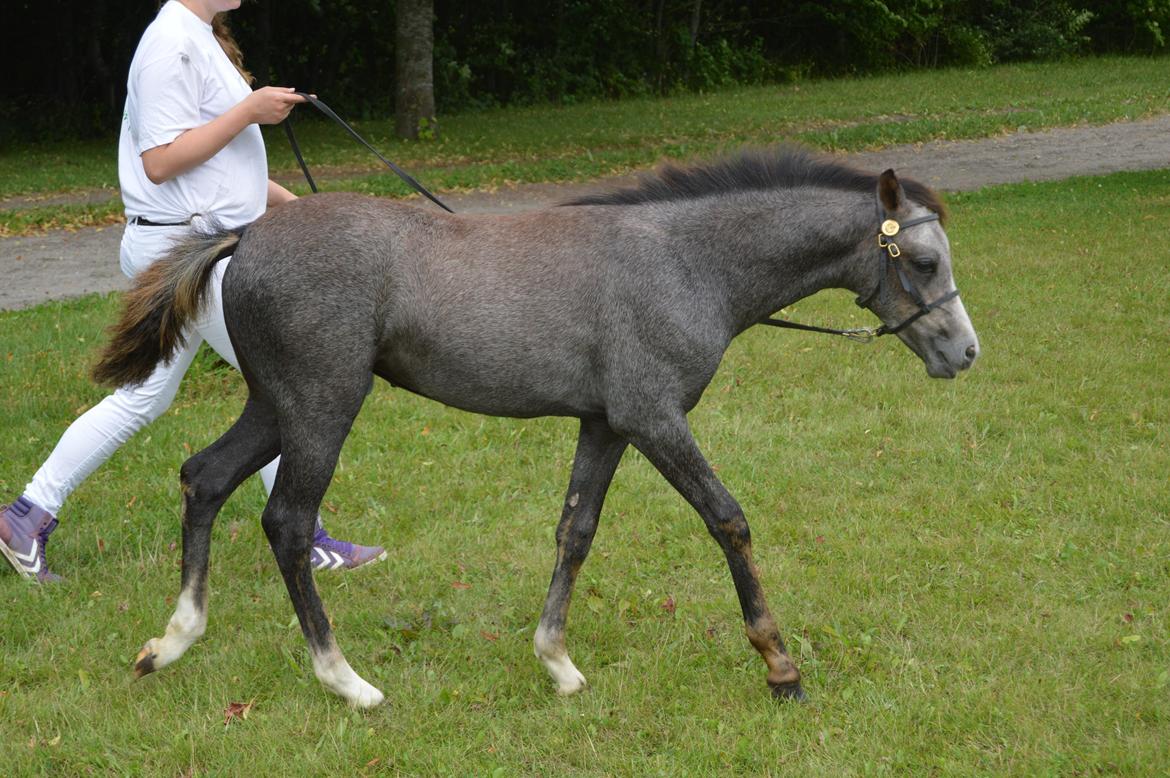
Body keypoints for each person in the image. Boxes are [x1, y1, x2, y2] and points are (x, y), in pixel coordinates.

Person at [0, 0, 385, 583]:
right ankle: (306, 539)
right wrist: (250, 111)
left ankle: (26, 517)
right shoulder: (169, 46)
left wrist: (302, 211)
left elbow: (223, 166)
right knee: (289, 385)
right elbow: (161, 162)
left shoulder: (198, 38)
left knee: (144, 396)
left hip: (195, 247)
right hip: (189, 253)